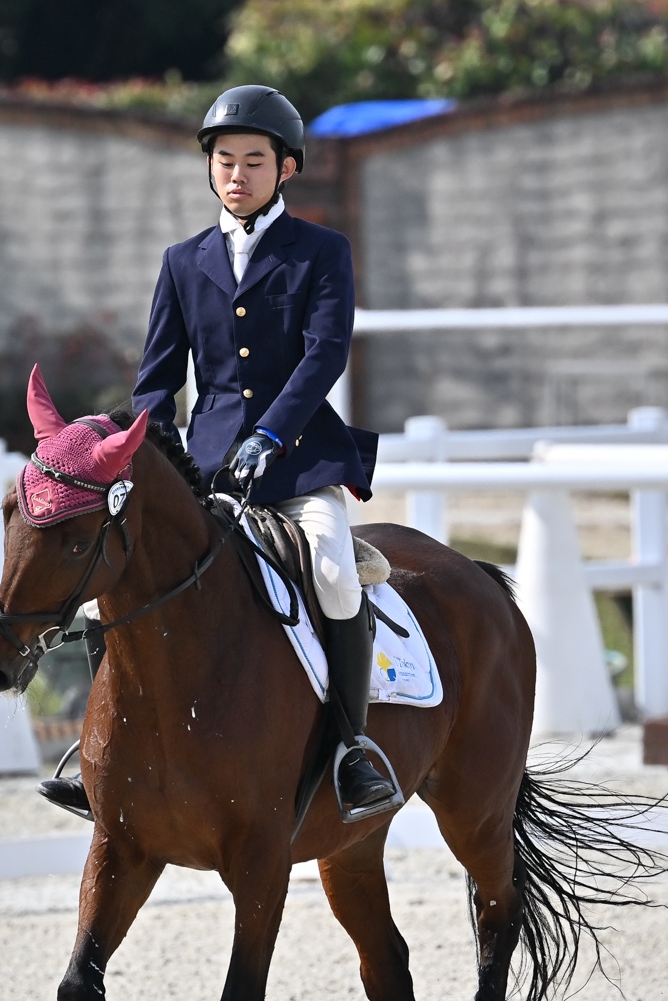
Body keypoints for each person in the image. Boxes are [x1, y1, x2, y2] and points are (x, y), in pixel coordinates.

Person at [38, 84, 403, 825]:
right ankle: (100, 747)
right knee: (117, 577)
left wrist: (271, 435)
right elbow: (157, 377)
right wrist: (154, 448)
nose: (237, 174)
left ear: (286, 168)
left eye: (254, 161)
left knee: (336, 576)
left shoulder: (321, 252)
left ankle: (351, 747)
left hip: (296, 464)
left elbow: (324, 355)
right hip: (205, 471)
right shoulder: (183, 261)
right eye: (225, 160)